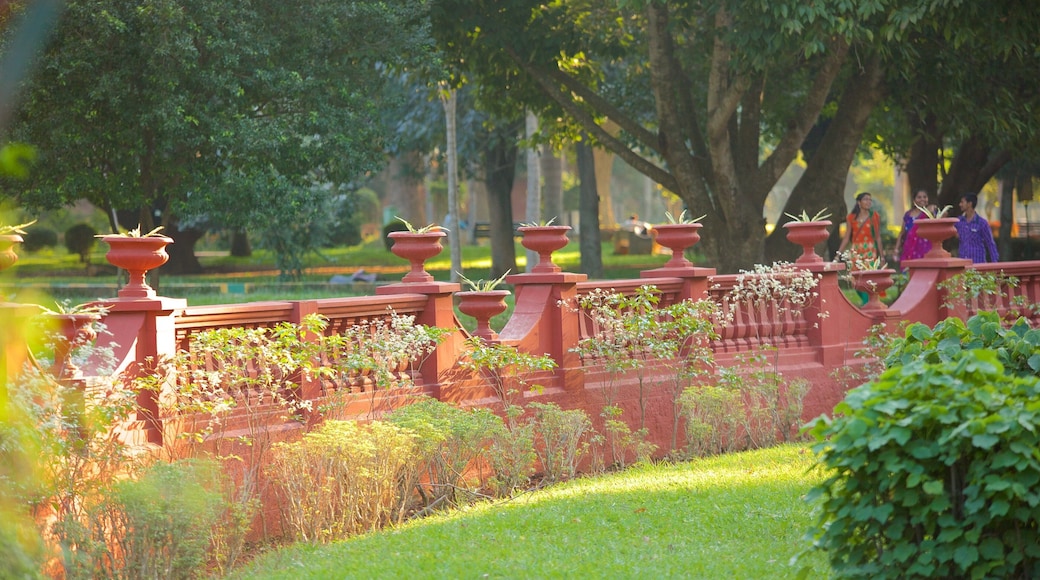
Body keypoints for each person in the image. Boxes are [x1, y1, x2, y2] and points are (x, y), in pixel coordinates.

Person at [837, 192, 884, 270]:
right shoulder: (851, 217)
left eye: (870, 200)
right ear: (859, 202)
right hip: (856, 250)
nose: (868, 202)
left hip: (870, 250)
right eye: (865, 199)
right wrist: (838, 255)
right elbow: (846, 237)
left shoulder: (874, 216)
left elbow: (878, 237)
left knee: (869, 275)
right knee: (856, 275)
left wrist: (882, 257)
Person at [954, 192, 999, 263]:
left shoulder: (982, 223)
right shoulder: (959, 221)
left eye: (962, 202)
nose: (960, 204)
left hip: (978, 264)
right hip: (963, 264)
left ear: (969, 204)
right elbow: (947, 230)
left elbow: (990, 243)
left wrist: (995, 263)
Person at [894, 189, 934, 268]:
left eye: (924, 197)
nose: (922, 199)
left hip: (925, 249)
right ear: (914, 200)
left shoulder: (930, 214)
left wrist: (932, 211)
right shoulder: (908, 215)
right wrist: (896, 249)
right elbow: (902, 233)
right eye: (919, 197)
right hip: (909, 249)